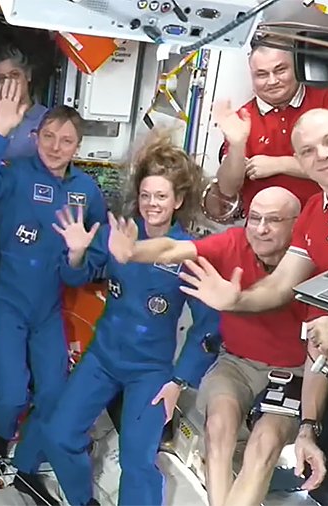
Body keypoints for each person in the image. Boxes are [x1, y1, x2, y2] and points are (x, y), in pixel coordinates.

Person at [179, 108, 328, 505]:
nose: (322, 155)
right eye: (308, 151)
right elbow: (282, 287)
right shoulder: (313, 212)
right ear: (300, 163)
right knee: (326, 483)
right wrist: (238, 299)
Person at [40, 132, 221, 506]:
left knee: (138, 461)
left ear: (178, 201)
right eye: (146, 195)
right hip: (102, 359)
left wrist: (178, 382)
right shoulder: (117, 236)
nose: (151, 204)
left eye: (161, 196)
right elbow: (77, 276)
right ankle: (81, 500)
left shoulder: (186, 254)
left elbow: (209, 326)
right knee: (58, 433)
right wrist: (76, 254)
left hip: (150, 373)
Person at [107, 186, 316, 506]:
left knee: (265, 443)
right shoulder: (233, 242)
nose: (261, 229)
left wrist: (236, 300)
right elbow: (173, 249)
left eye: (273, 220)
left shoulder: (310, 261)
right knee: (218, 428)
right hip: (236, 362)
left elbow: (280, 296)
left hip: (290, 371)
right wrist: (134, 251)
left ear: (296, 224)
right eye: (255, 218)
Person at [0, 79, 106, 501]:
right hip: (5, 300)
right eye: (48, 136)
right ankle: (0, 435)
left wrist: (79, 258)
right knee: (10, 388)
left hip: (47, 307)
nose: (56, 147)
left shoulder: (86, 191)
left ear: (77, 147)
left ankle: (26, 461)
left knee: (54, 391)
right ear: (34, 136)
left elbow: (88, 265)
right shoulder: (15, 174)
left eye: (66, 140)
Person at [214, 36, 328, 216]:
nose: (272, 81)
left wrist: (280, 164)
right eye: (262, 74)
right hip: (264, 231)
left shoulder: (327, 100)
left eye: (280, 70)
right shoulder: (242, 118)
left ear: (295, 67)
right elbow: (228, 189)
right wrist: (237, 146)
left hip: (327, 222)